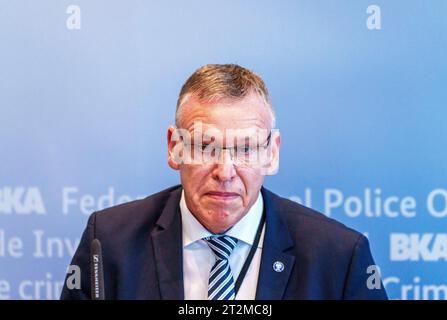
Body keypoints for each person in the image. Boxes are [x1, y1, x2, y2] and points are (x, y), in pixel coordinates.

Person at [60, 64, 388, 300]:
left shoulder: (338, 256)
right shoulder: (109, 242)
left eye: (245, 148)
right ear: (174, 148)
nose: (225, 171)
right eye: (205, 146)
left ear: (271, 154)